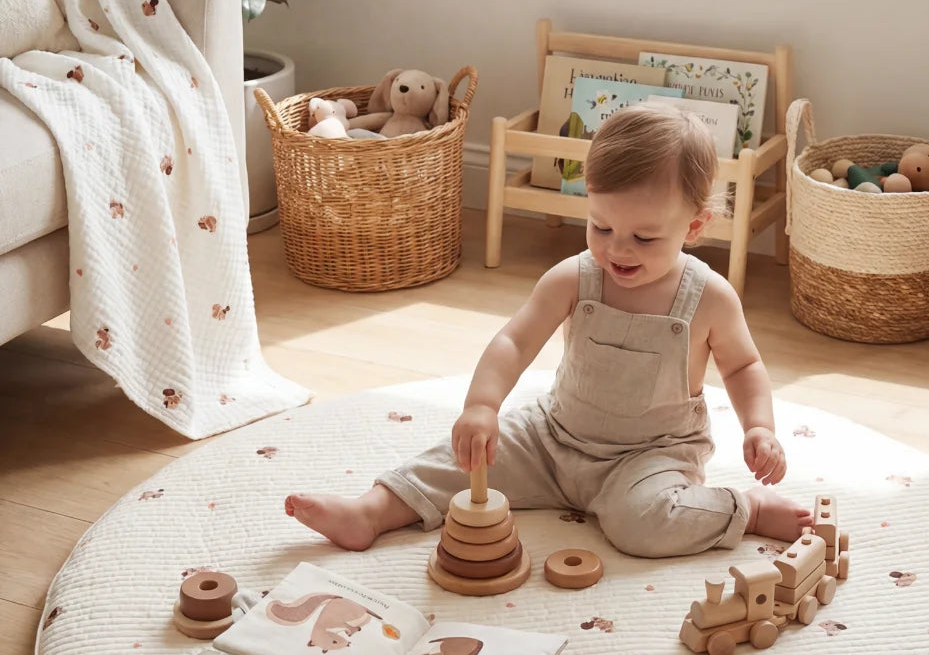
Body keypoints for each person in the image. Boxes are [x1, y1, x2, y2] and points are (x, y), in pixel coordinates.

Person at [285, 105, 811, 554]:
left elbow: (743, 366)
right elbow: (514, 341)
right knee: (460, 461)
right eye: (601, 226)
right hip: (553, 438)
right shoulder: (575, 277)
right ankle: (371, 512)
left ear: (694, 226)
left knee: (641, 523)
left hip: (650, 458)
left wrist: (758, 426)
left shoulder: (709, 297)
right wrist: (481, 407)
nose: (617, 249)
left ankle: (747, 510)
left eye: (644, 238)